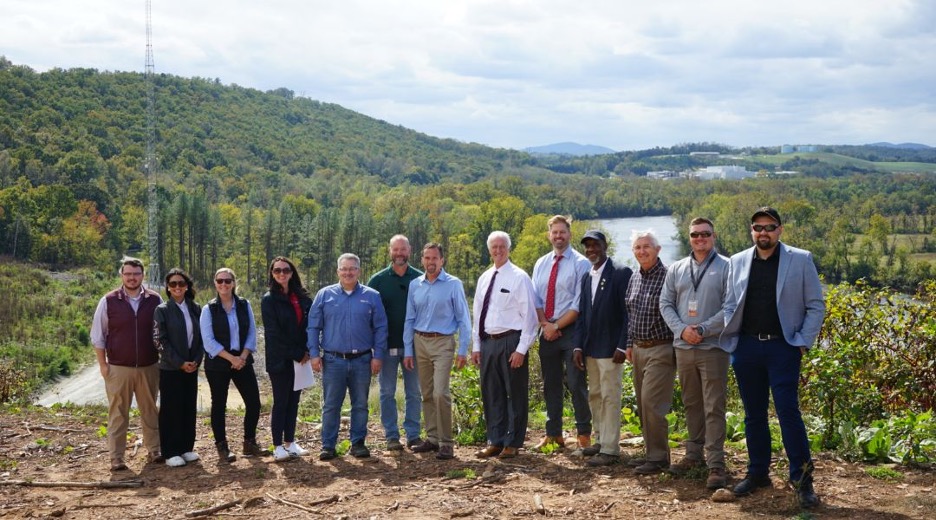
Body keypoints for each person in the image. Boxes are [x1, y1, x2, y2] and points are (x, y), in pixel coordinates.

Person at [721, 207, 825, 508]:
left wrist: (802, 342)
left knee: (788, 413)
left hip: (783, 348)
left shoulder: (800, 259)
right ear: (751, 231)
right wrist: (734, 339)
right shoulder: (738, 261)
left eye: (769, 227)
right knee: (753, 415)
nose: (763, 233)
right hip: (747, 348)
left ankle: (803, 480)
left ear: (780, 230)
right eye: (757, 227)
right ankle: (757, 473)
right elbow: (730, 303)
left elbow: (815, 306)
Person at [659, 218, 730, 489]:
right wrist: (682, 330)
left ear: (713, 235)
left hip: (712, 348)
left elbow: (731, 306)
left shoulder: (727, 267)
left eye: (705, 234)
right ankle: (693, 455)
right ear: (689, 237)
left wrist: (702, 328)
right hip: (684, 347)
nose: (700, 238)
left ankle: (716, 464)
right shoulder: (677, 268)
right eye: (695, 234)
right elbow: (665, 303)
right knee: (691, 403)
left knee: (714, 405)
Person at [308, 253, 388, 461]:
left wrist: (377, 356)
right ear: (338, 271)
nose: (348, 272)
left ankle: (358, 443)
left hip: (362, 359)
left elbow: (380, 328)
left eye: (352, 268)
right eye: (344, 269)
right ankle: (328, 445)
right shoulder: (324, 295)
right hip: (333, 360)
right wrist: (314, 354)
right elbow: (313, 327)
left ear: (359, 271)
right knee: (331, 404)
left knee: (360, 404)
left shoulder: (372, 296)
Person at [90, 256, 163, 471]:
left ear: (143, 276)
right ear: (121, 275)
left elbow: (161, 332)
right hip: (119, 367)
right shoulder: (109, 301)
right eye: (128, 274)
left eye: (136, 274)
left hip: (149, 366)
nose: (132, 278)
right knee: (118, 413)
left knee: (150, 410)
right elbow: (98, 335)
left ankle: (154, 450)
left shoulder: (155, 300)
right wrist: (103, 365)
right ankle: (117, 457)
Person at [472, 231, 538, 460]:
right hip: (489, 341)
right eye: (494, 247)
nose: (498, 250)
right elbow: (477, 313)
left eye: (502, 246)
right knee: (492, 394)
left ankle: (513, 442)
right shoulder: (484, 277)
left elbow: (530, 316)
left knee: (515, 394)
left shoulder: (519, 277)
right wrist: (476, 346)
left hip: (511, 341)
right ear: (489, 250)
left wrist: (521, 349)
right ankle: (495, 440)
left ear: (508, 248)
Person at [402, 243, 472, 460]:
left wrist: (463, 350)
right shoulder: (416, 285)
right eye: (426, 258)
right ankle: (432, 439)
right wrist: (407, 350)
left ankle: (446, 442)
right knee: (427, 393)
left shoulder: (453, 284)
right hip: (420, 341)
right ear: (422, 260)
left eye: (434, 258)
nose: (430, 262)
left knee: (440, 393)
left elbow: (463, 318)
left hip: (443, 342)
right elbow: (410, 318)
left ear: (442, 261)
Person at [531, 215, 592, 452]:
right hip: (546, 330)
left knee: (576, 384)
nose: (558, 236)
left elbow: (579, 304)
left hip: (571, 331)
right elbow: (535, 298)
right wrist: (546, 324)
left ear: (570, 234)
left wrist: (556, 327)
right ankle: (553, 434)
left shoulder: (581, 263)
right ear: (549, 235)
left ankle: (584, 433)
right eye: (554, 232)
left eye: (562, 232)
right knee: (550, 384)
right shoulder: (541, 263)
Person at [571, 230, 632, 466]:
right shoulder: (587, 276)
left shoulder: (620, 272)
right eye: (587, 246)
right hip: (590, 349)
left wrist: (623, 345)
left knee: (610, 397)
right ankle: (599, 440)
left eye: (595, 245)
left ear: (605, 246)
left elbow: (628, 314)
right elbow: (583, 315)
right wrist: (577, 346)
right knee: (595, 396)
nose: (591, 250)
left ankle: (610, 448)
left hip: (611, 350)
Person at [200, 267, 266, 463]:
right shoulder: (208, 309)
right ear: (215, 283)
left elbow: (252, 334)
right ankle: (222, 447)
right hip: (218, 363)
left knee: (254, 402)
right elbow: (208, 340)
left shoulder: (244, 305)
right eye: (219, 281)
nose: (223, 285)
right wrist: (231, 359)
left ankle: (249, 442)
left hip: (243, 360)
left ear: (234, 283)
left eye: (227, 281)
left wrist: (243, 356)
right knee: (219, 405)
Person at [624, 230, 676, 475]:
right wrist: (628, 344)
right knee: (642, 404)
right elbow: (630, 314)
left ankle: (658, 458)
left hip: (661, 347)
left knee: (652, 402)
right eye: (637, 247)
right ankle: (652, 453)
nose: (642, 251)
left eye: (646, 246)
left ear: (658, 249)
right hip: (638, 349)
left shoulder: (669, 277)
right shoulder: (634, 277)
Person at [367, 235, 423, 451]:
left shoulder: (419, 278)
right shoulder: (378, 280)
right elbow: (368, 314)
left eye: (403, 250)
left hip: (415, 347)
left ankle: (413, 435)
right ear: (389, 251)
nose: (399, 253)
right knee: (387, 392)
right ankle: (391, 436)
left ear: (410, 251)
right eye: (395, 250)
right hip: (386, 346)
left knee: (413, 392)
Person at [261, 256, 313, 462]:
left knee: (294, 401)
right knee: (281, 401)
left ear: (292, 273)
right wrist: (297, 353)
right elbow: (273, 334)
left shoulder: (303, 298)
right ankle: (277, 445)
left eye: (285, 270)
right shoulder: (269, 300)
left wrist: (307, 350)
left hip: (300, 358)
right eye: (277, 271)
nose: (281, 274)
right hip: (280, 359)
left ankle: (291, 443)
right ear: (272, 274)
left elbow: (309, 327)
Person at [153, 268, 204, 468]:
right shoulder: (162, 310)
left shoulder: (195, 308)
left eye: (181, 284)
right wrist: (179, 362)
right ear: (167, 287)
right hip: (171, 368)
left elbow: (202, 338)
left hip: (192, 367)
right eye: (173, 284)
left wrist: (196, 361)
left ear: (187, 286)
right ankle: (170, 451)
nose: (177, 287)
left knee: (188, 407)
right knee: (170, 409)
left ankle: (186, 447)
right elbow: (159, 341)